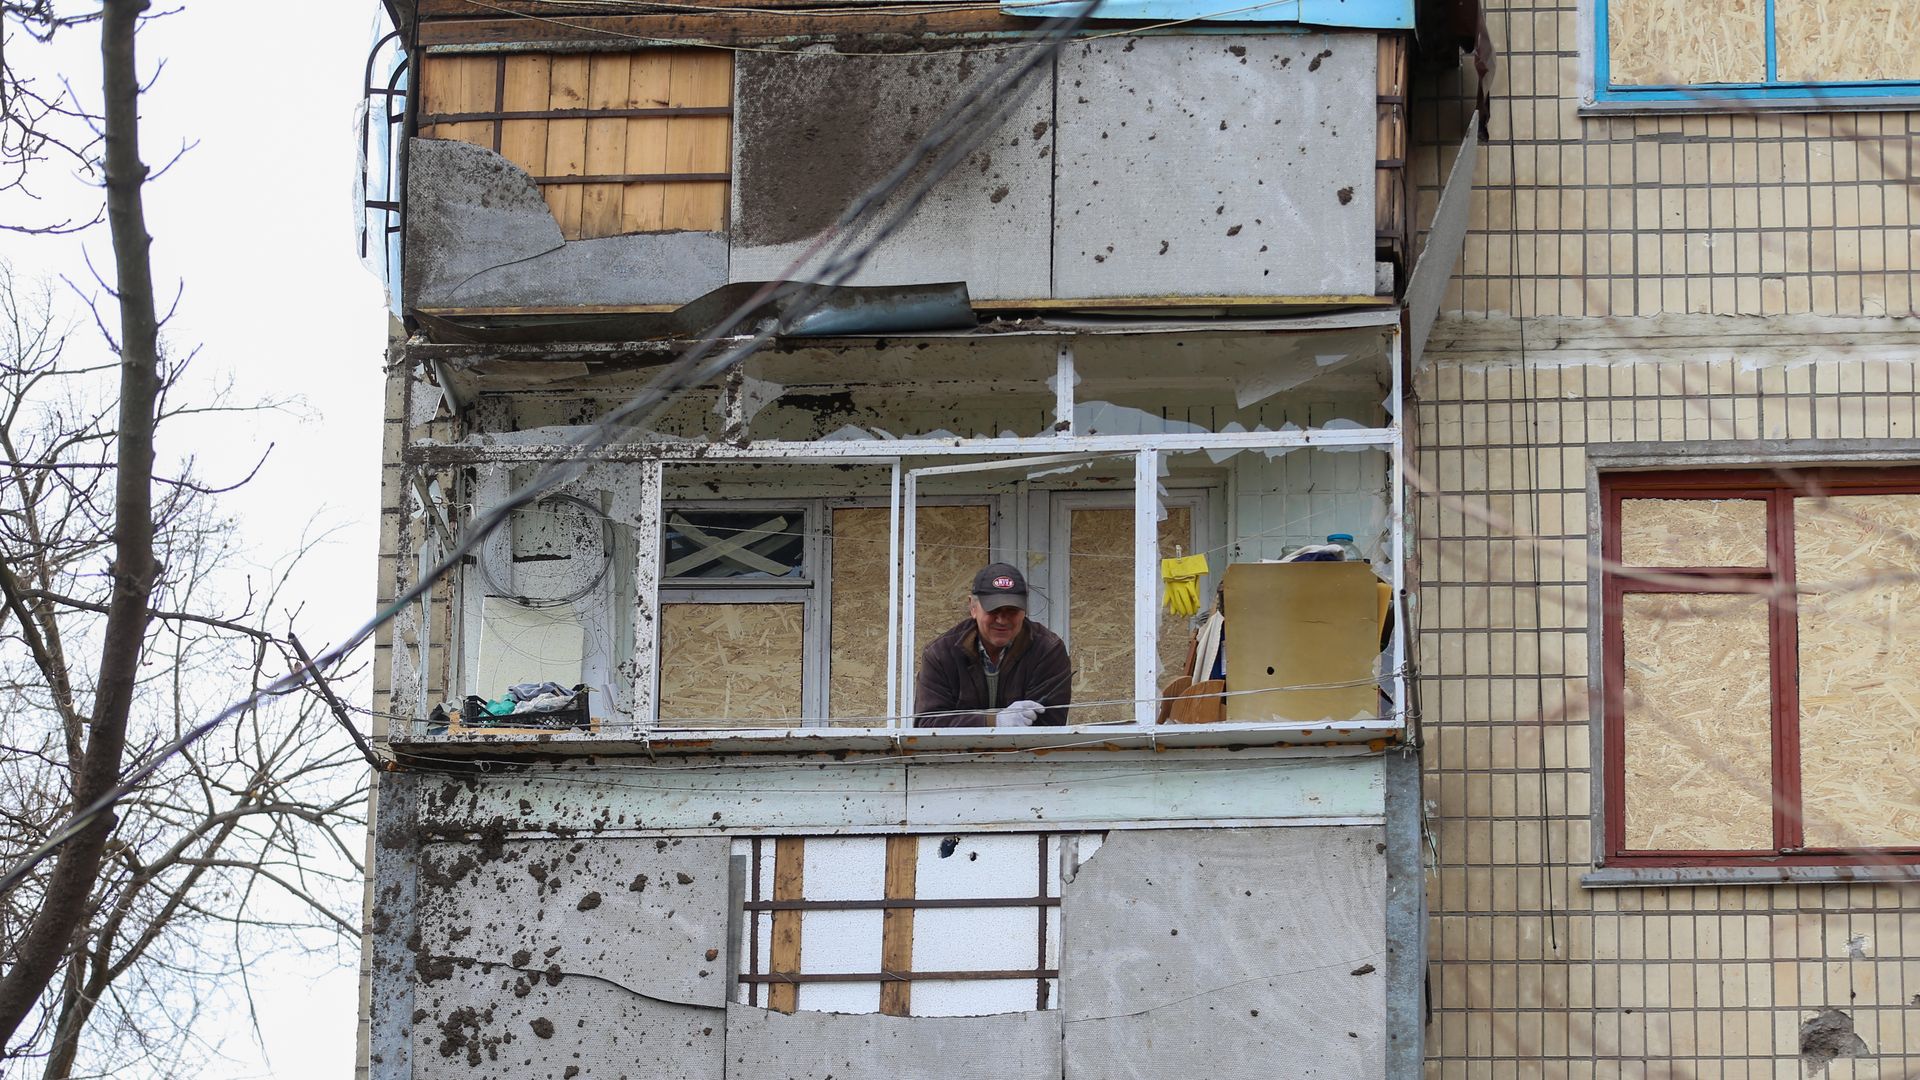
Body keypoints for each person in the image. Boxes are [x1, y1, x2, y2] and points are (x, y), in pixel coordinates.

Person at [914, 562, 1073, 727]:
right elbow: (927, 723)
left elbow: (1050, 723)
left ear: (1024, 609)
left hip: (1028, 752)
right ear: (973, 607)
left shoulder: (1048, 651)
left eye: (1012, 610)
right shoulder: (941, 654)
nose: (1002, 620)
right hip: (958, 752)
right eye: (993, 610)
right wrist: (993, 721)